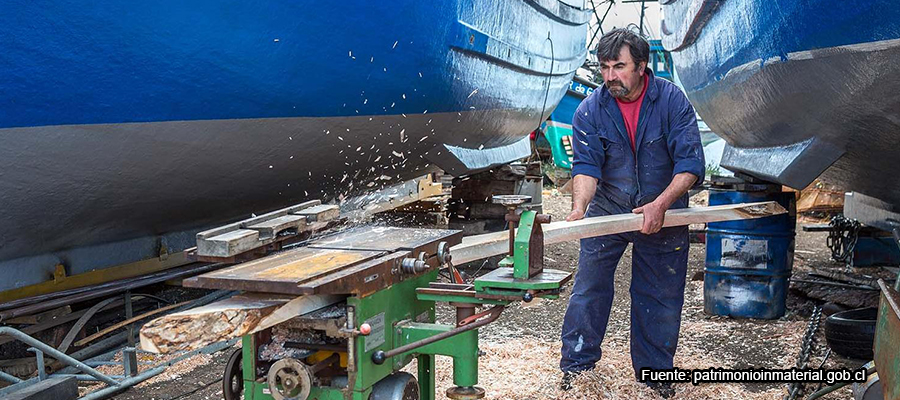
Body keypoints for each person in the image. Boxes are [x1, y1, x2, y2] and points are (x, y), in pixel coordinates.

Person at [558, 29, 705, 398]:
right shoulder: (590, 109)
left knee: (659, 294)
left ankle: (655, 376)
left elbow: (690, 164)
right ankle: (577, 371)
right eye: (604, 67)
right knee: (589, 288)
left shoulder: (672, 101)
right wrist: (578, 209)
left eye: (619, 67)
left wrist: (661, 204)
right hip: (609, 206)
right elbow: (586, 167)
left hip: (663, 208)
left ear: (641, 66)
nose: (610, 76)